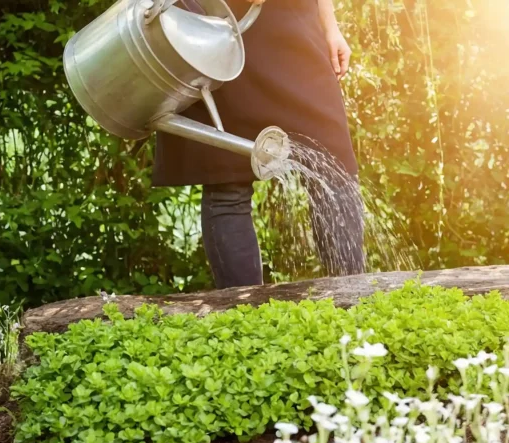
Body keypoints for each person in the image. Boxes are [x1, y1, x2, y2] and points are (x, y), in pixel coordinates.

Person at [154, 0, 365, 289]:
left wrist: (331, 26)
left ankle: (354, 296)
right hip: (212, 26)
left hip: (292, 22)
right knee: (227, 178)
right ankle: (245, 312)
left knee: (333, 170)